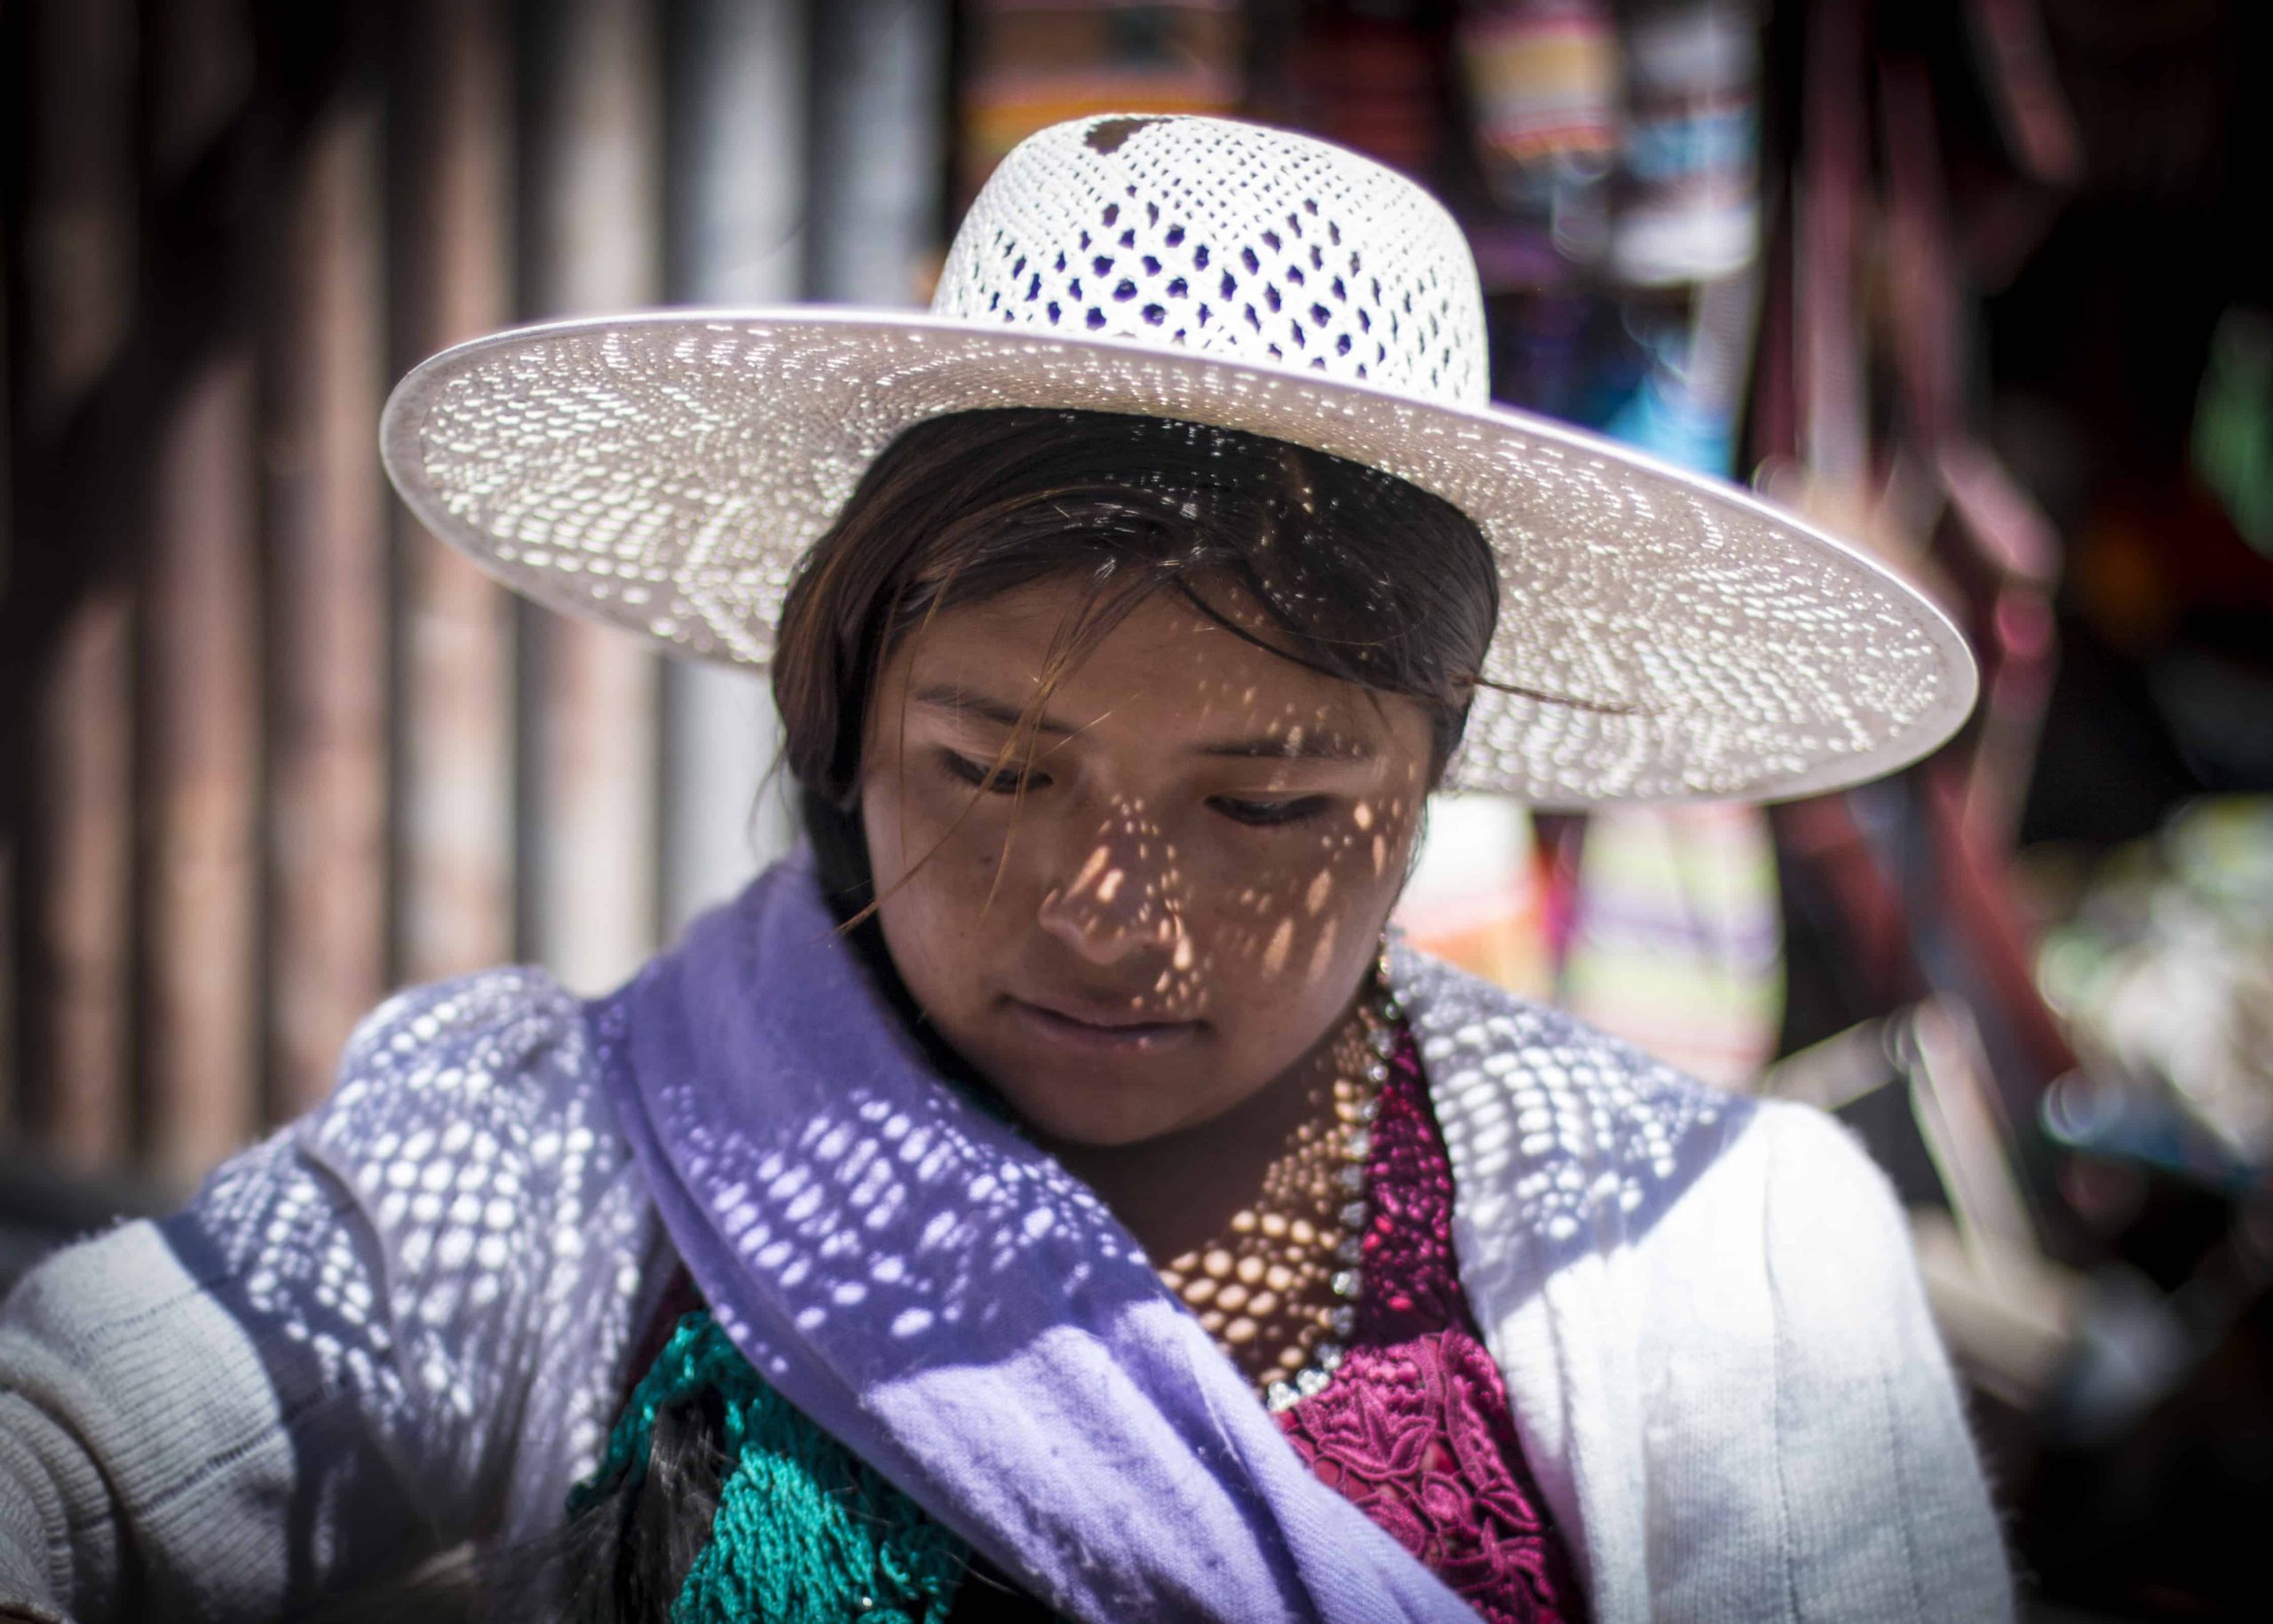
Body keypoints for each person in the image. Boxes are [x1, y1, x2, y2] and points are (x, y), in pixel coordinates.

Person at [0, 115, 2008, 1623]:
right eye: (990, 767)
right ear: (844, 710)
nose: (1103, 914)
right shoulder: (560, 1160)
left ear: (1431, 779)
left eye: (1268, 805)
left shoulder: (1722, 1266)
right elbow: (77, 1446)